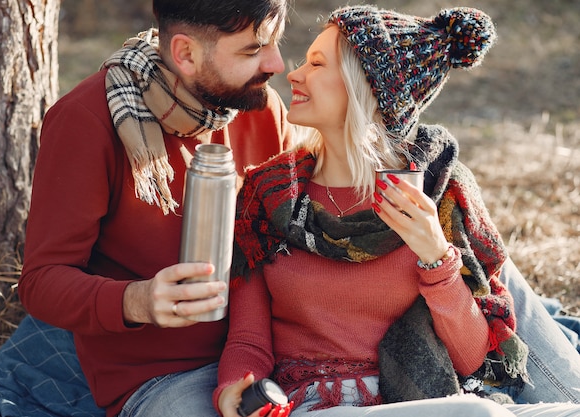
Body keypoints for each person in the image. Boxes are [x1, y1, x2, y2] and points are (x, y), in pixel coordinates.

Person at [215, 5, 580, 417]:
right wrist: (234, 388)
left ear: (367, 90)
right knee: (480, 416)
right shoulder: (270, 197)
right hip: (320, 405)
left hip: (428, 395)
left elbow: (473, 360)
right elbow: (247, 340)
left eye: (317, 64)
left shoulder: (438, 196)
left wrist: (436, 256)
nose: (294, 74)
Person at [13, 1, 290, 416]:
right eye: (252, 51)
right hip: (166, 376)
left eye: (275, 44)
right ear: (185, 54)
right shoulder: (86, 120)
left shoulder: (257, 106)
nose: (277, 64)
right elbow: (41, 281)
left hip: (274, 351)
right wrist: (137, 301)